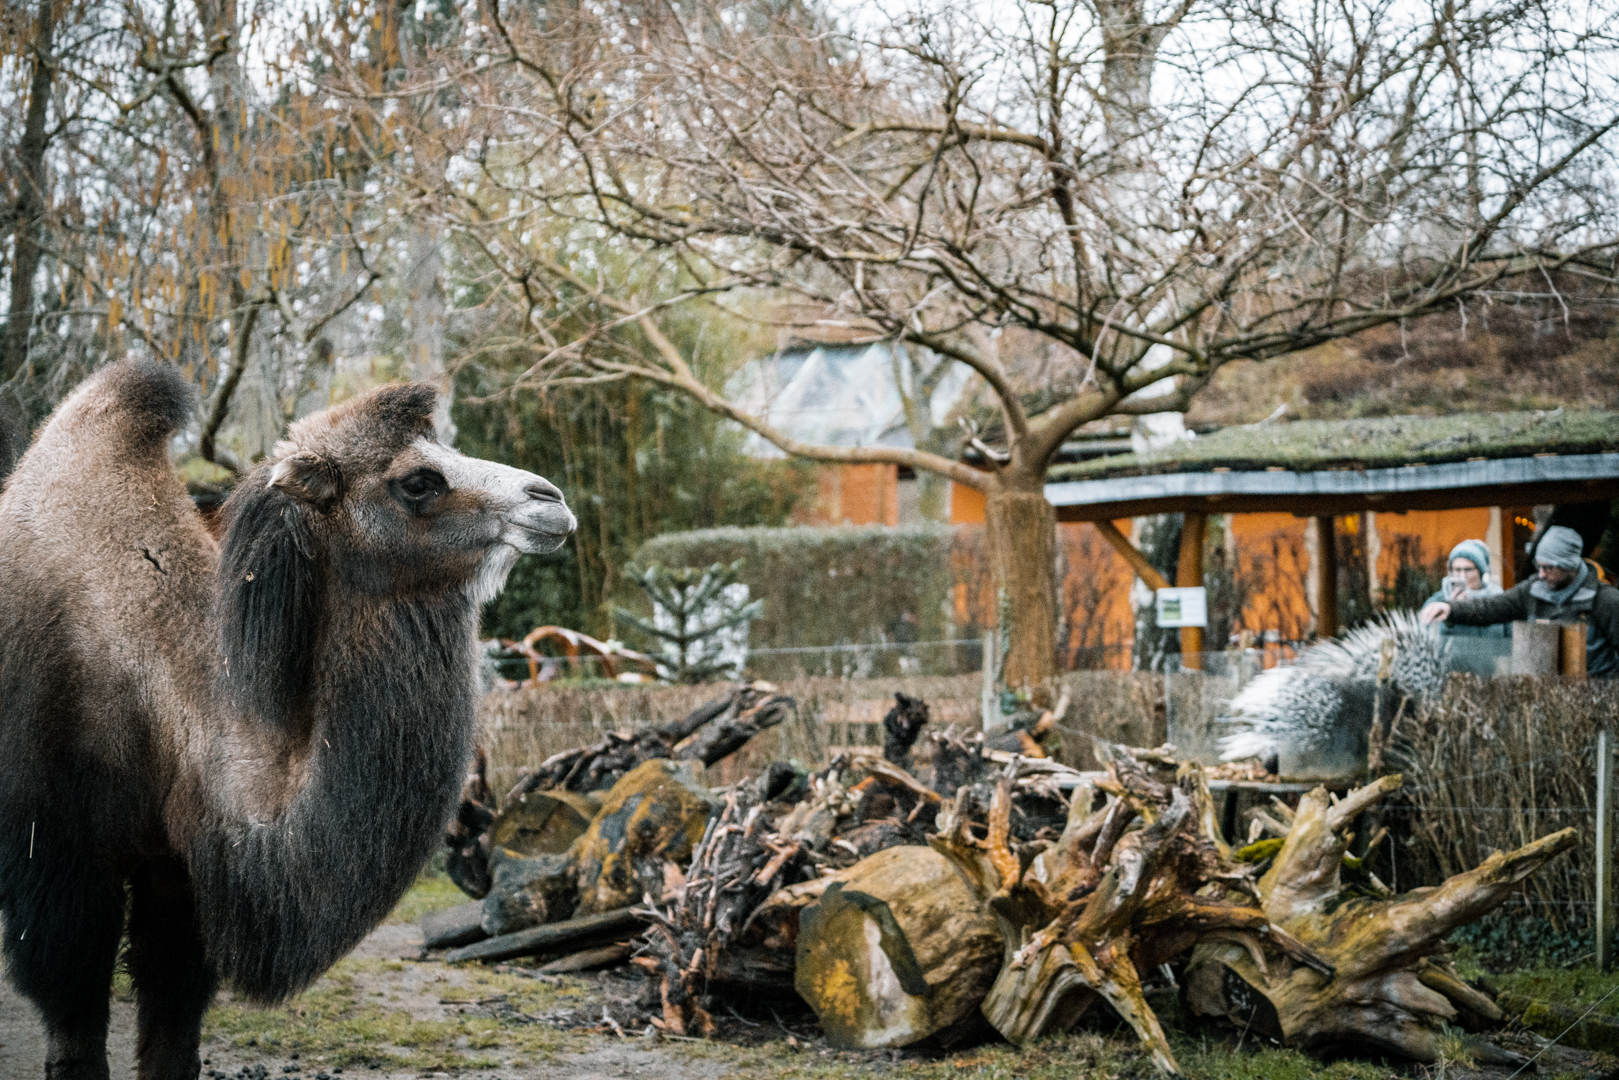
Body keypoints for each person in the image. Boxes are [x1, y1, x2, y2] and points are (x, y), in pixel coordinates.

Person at [1420, 525, 1619, 676]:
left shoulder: (1606, 601)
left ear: (1569, 566)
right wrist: (1451, 608)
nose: (1540, 574)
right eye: (1538, 566)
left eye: (1548, 567)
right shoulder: (1533, 590)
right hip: (1547, 703)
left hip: (1595, 706)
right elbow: (1493, 606)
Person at [1421, 539, 1506, 638]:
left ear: (1480, 572)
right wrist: (1452, 611)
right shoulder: (1438, 602)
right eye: (1457, 570)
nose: (1462, 576)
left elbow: (1509, 637)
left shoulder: (1497, 599)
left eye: (1468, 569)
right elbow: (1427, 637)